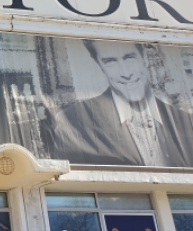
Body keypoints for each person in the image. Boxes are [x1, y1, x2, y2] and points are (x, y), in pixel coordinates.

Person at [53, 39, 193, 166]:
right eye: (110, 62)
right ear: (99, 65)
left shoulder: (186, 122)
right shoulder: (73, 121)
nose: (126, 74)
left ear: (144, 57)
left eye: (130, 58)